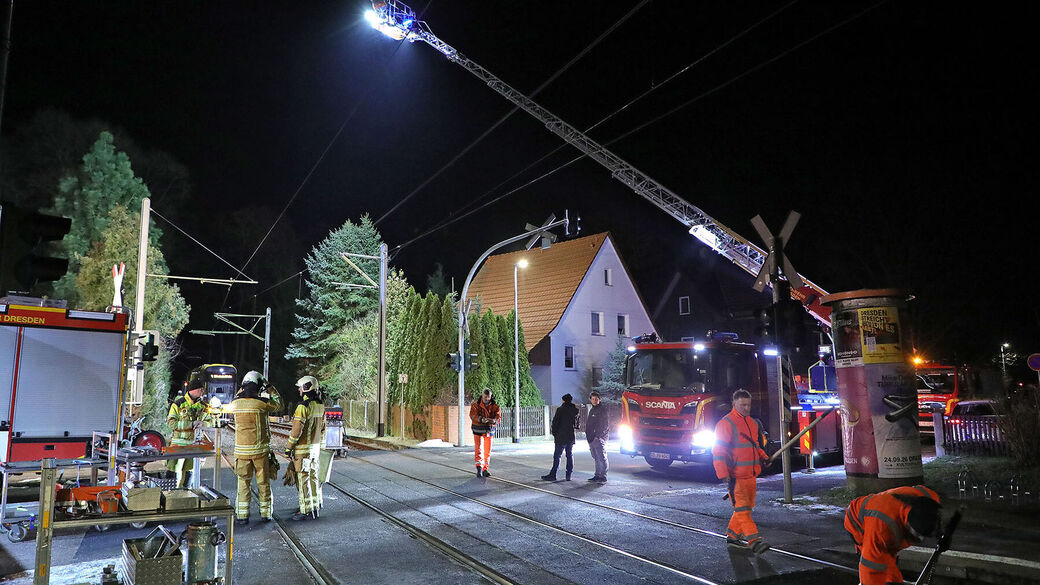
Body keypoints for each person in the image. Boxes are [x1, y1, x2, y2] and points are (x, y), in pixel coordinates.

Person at [845, 484, 942, 585]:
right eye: (917, 534)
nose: (921, 539)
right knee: (879, 564)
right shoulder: (881, 530)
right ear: (908, 524)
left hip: (882, 513)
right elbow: (871, 569)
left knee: (890, 570)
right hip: (857, 523)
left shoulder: (929, 500)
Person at [713, 389, 770, 553]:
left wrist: (764, 457)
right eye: (742, 405)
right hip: (736, 477)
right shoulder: (726, 423)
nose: (746, 408)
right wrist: (723, 474)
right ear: (734, 404)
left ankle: (732, 537)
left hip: (750, 475)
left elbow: (754, 446)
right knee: (743, 510)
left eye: (748, 405)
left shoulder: (752, 423)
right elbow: (719, 451)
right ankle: (754, 541)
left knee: (745, 508)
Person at [229, 370, 281, 525]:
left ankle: (242, 515)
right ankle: (266, 514)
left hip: (241, 452)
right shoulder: (262, 403)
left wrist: (243, 387)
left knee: (243, 483)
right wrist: (269, 387)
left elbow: (240, 394)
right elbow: (279, 404)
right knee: (263, 482)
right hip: (260, 452)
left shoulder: (235, 403)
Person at [285, 375, 326, 521]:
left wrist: (289, 448)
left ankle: (306, 511)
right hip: (315, 450)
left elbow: (296, 431)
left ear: (306, 388)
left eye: (300, 387)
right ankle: (315, 506)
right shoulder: (320, 406)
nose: (299, 390)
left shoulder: (303, 407)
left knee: (303, 479)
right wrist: (322, 447)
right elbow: (323, 429)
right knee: (314, 478)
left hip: (303, 450)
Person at [166, 373, 210, 488]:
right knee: (173, 469)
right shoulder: (178, 404)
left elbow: (210, 422)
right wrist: (191, 424)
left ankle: (186, 493)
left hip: (194, 445)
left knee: (190, 470)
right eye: (201, 389)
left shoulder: (203, 406)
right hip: (178, 443)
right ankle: (169, 493)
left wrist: (204, 424)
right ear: (194, 389)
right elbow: (171, 423)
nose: (203, 392)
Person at [542, 394, 578, 481]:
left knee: (557, 456)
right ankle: (568, 474)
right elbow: (576, 424)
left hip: (561, 436)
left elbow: (555, 423)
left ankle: (553, 474)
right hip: (570, 436)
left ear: (563, 400)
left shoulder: (560, 409)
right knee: (569, 455)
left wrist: (555, 434)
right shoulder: (575, 410)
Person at [470, 388, 501, 477]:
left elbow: (498, 417)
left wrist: (494, 420)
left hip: (488, 430)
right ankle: (479, 468)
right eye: (485, 397)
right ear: (482, 396)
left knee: (487, 450)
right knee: (479, 449)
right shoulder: (475, 405)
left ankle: (484, 468)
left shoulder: (495, 406)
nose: (487, 399)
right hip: (479, 430)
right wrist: (481, 419)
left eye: (488, 397)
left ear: (490, 396)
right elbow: (472, 415)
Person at [585, 391, 610, 483]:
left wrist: (598, 436)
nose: (594, 400)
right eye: (593, 399)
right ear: (590, 400)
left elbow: (604, 425)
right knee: (596, 457)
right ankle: (597, 475)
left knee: (602, 457)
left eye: (596, 399)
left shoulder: (603, 410)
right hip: (591, 438)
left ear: (599, 400)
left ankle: (603, 476)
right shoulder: (592, 410)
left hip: (599, 438)